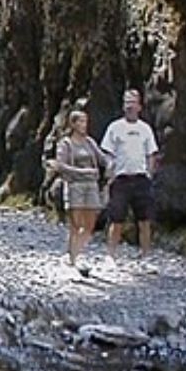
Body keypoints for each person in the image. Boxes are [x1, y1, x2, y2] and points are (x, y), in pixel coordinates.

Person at [101, 89, 160, 261]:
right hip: (121, 179)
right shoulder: (115, 127)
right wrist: (110, 172)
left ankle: (145, 255)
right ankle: (111, 256)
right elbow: (107, 152)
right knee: (116, 219)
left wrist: (149, 174)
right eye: (127, 102)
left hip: (141, 179)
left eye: (133, 102)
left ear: (139, 106)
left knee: (145, 220)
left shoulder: (145, 129)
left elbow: (151, 153)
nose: (129, 106)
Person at [45, 110, 105, 270]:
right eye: (81, 122)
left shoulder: (90, 142)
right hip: (74, 186)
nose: (84, 125)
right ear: (73, 124)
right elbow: (61, 166)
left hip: (92, 185)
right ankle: (74, 257)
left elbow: (102, 158)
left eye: (85, 121)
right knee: (76, 223)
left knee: (90, 223)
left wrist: (114, 164)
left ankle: (76, 252)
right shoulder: (65, 144)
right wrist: (83, 172)